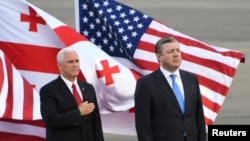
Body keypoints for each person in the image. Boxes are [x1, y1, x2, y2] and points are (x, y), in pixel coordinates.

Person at [134, 36, 206, 141]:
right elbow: (143, 125)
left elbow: (199, 117)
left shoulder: (191, 79)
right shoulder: (146, 84)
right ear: (159, 57)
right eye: (170, 51)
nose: (176, 54)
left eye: (178, 50)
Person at [40, 47, 104, 141]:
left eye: (77, 61)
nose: (75, 65)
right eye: (70, 62)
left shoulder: (88, 88)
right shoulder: (48, 90)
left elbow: (96, 121)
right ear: (60, 65)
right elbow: (51, 119)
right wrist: (78, 113)